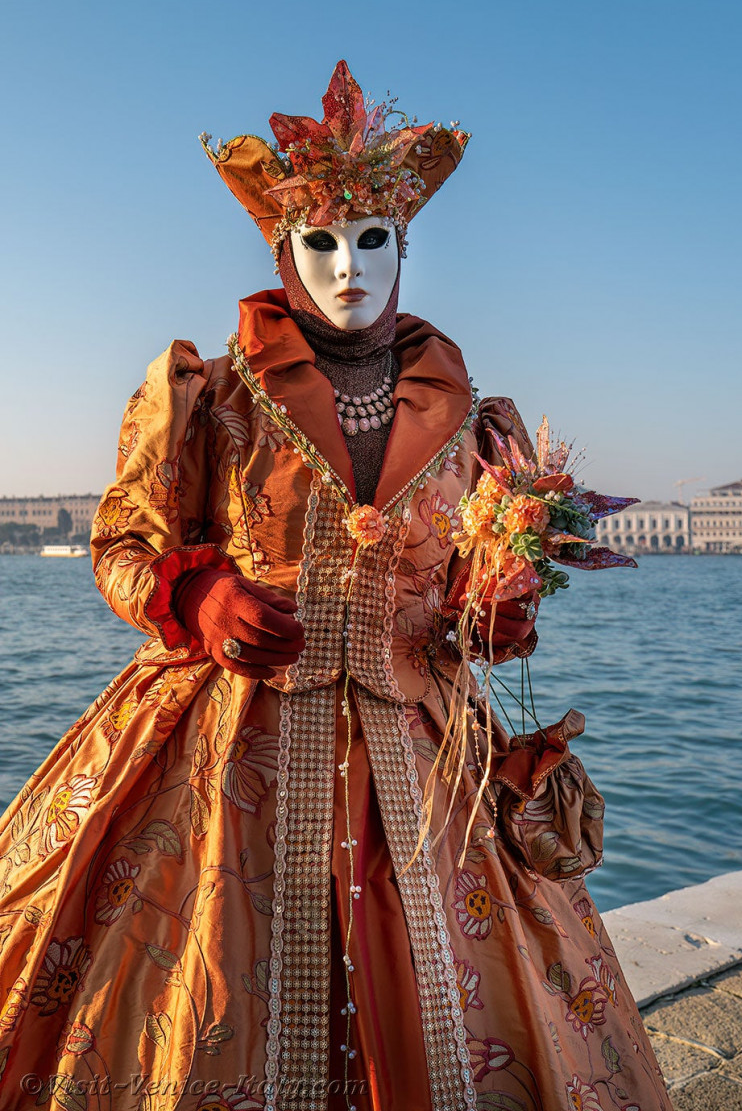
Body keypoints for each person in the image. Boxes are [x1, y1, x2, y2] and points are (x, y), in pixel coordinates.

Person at [0, 61, 673, 1111]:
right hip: (228, 744)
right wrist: (197, 597)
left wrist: (495, 612)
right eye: (321, 242)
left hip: (420, 747)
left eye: (372, 242)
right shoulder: (205, 393)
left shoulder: (474, 422)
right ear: (283, 250)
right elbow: (123, 543)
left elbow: (469, 603)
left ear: (404, 251)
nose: (347, 267)